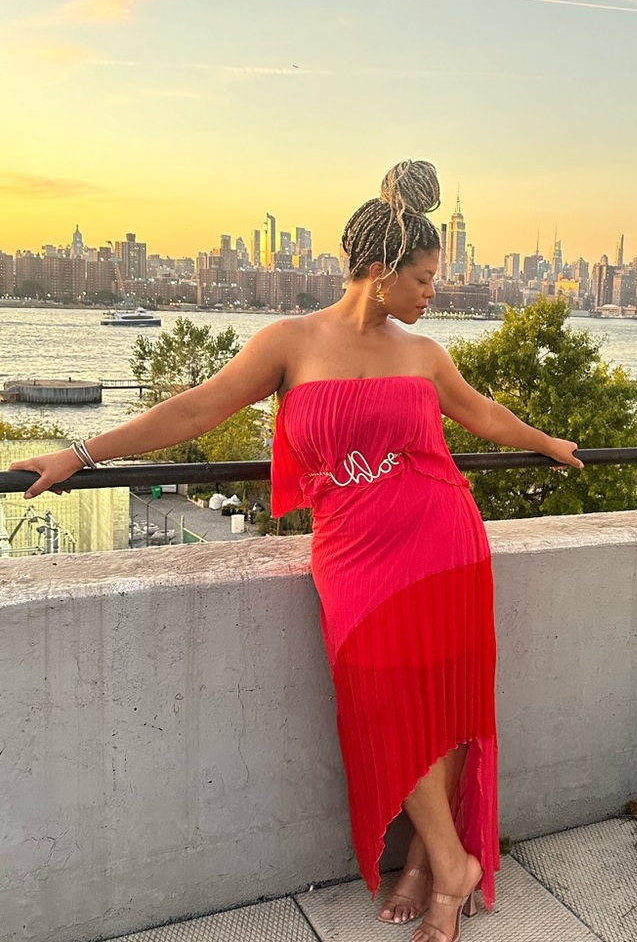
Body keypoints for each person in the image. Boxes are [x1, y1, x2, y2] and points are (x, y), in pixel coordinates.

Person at [10, 160, 583, 942]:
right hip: (353, 555)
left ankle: (431, 863)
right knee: (385, 698)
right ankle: (453, 863)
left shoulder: (424, 355)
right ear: (380, 273)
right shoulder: (289, 341)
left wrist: (550, 441)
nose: (432, 293)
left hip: (443, 539)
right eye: (423, 278)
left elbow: (483, 417)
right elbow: (195, 408)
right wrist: (81, 452)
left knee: (444, 700)